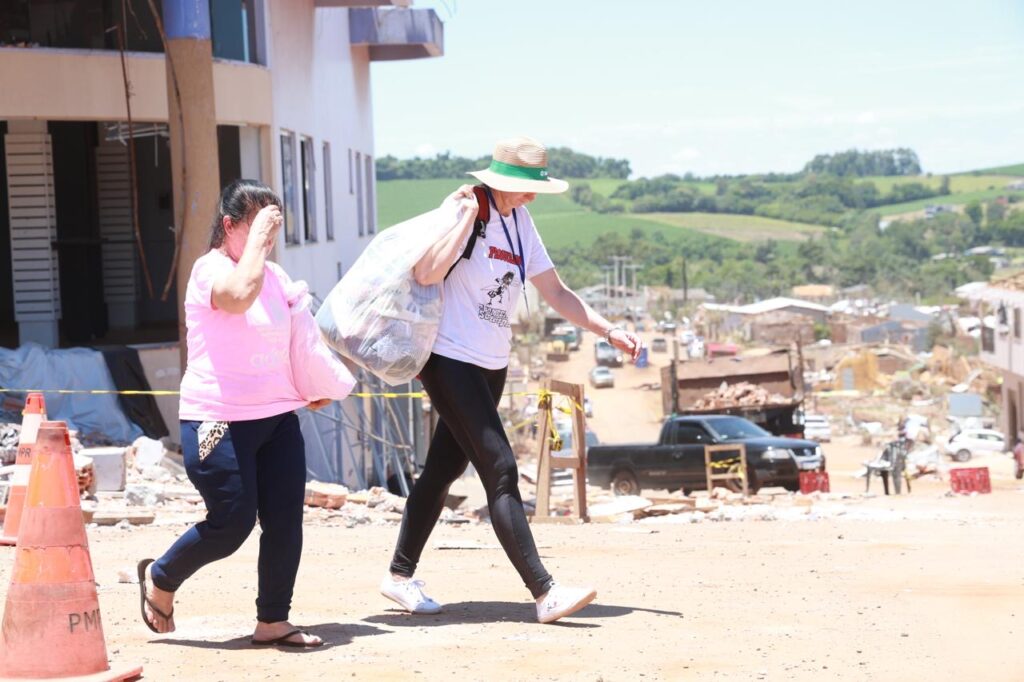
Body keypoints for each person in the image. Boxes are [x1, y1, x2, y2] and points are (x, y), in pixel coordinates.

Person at [380, 136, 642, 624]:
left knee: (443, 469)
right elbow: (426, 272)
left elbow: (555, 292)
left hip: (490, 363)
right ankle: (545, 592)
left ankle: (398, 576)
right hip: (449, 358)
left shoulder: (520, 222)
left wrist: (608, 330)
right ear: (501, 180)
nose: (533, 197)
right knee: (500, 469)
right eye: (526, 187)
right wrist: (462, 221)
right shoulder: (466, 208)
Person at [137, 180, 337, 648]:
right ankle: (161, 577)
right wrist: (260, 242)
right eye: (258, 226)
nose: (269, 239)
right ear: (229, 227)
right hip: (217, 420)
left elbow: (295, 337)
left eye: (273, 227)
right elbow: (239, 296)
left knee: (285, 521)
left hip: (277, 418)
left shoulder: (276, 277)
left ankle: (273, 619)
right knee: (232, 521)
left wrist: (312, 383)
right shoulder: (209, 270)